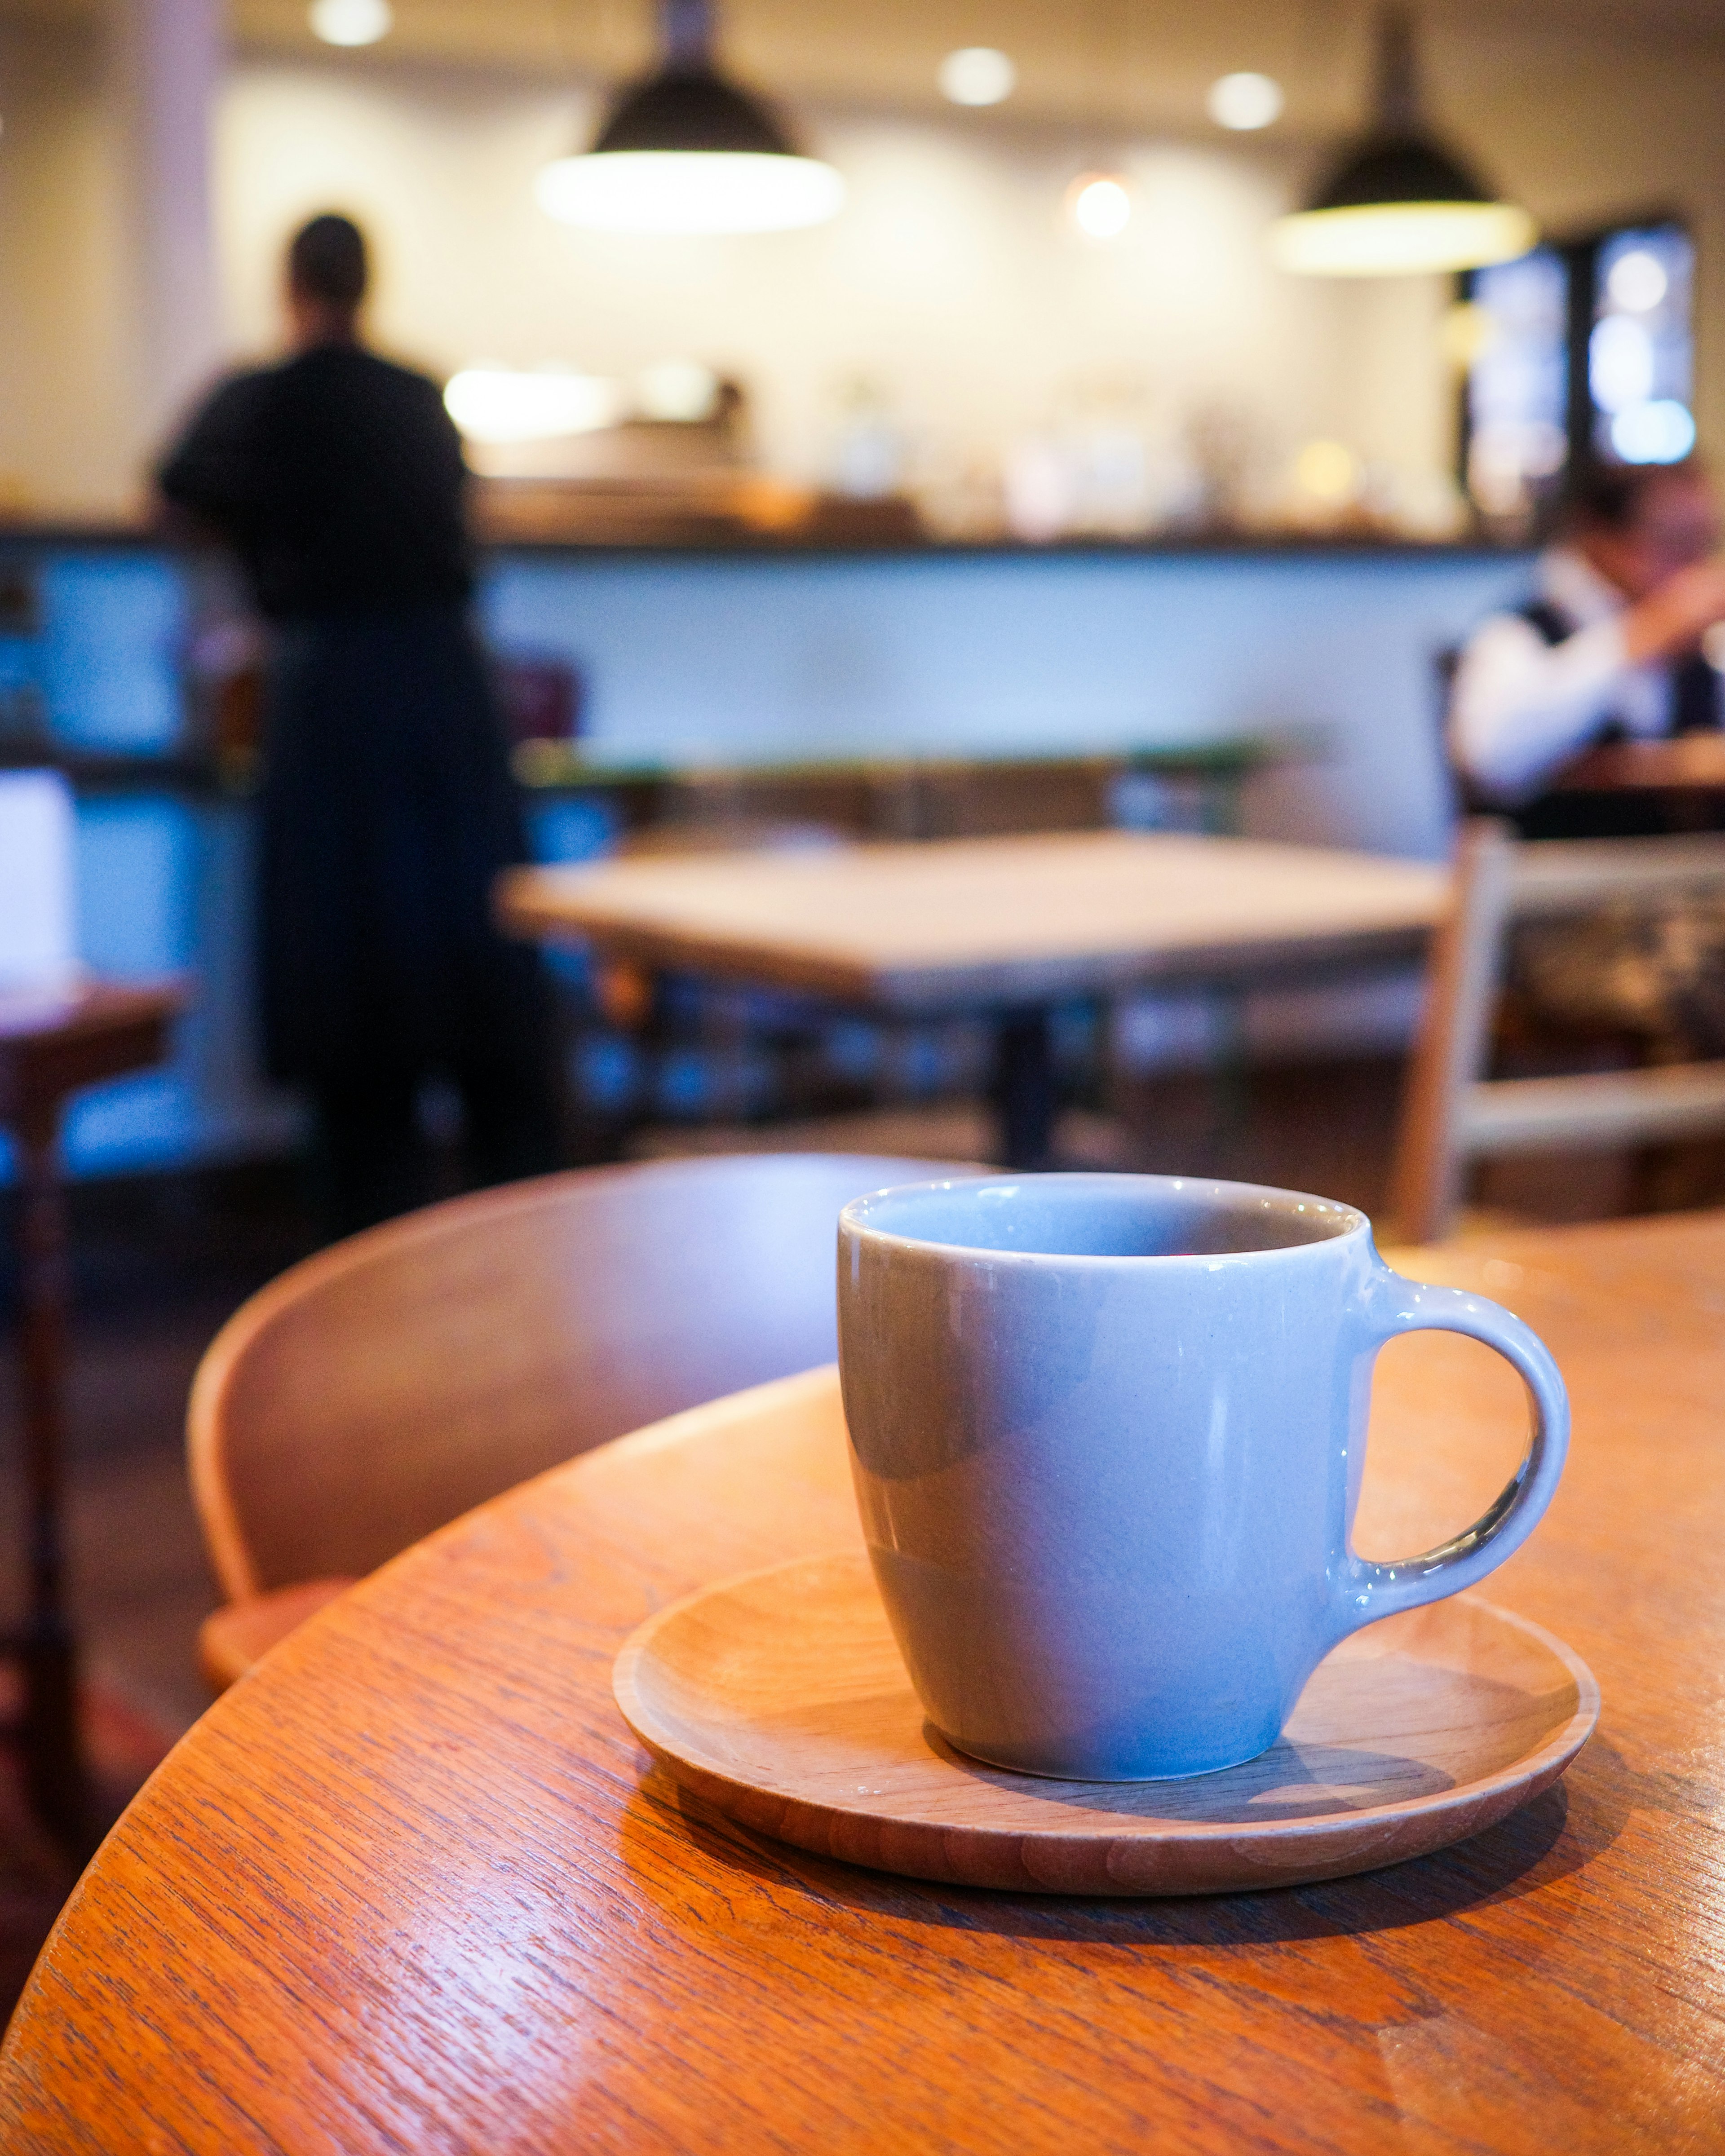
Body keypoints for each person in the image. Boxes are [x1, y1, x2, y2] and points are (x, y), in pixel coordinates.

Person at [158, 213, 560, 1233]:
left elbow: (172, 492)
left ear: (289, 288)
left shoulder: (258, 397)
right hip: (447, 691)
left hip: (334, 697)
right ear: (367, 287)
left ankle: (366, 1250)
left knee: (353, 979)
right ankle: (523, 1240)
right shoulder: (420, 395)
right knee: (475, 958)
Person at [1451, 457, 1725, 838]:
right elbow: (1492, 762)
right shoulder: (1520, 634)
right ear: (1600, 538)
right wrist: (1640, 637)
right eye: (1675, 541)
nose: (1694, 565)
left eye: (1705, 542)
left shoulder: (1702, 651)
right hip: (1556, 883)